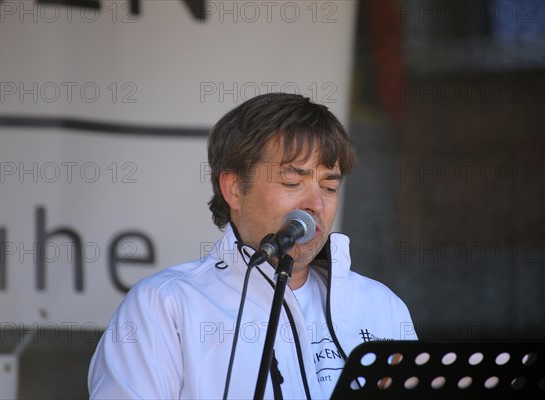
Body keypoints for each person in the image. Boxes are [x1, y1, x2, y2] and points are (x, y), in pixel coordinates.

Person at [88, 93, 417, 399]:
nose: (316, 203)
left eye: (329, 187)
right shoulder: (163, 307)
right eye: (292, 182)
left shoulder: (382, 307)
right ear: (233, 189)